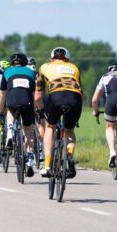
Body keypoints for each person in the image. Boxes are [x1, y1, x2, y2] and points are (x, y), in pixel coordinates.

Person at [35, 47, 83, 178]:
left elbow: (38, 96)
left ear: (51, 58)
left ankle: (47, 166)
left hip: (55, 96)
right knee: (69, 130)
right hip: (75, 99)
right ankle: (69, 156)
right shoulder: (74, 68)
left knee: (50, 127)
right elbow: (81, 92)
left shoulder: (44, 67)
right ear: (67, 59)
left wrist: (41, 110)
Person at [0, 53, 38, 176]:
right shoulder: (30, 72)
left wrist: (0, 110)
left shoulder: (7, 71)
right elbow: (34, 94)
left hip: (12, 100)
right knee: (28, 132)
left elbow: (2, 94)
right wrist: (34, 109)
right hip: (27, 101)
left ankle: (10, 132)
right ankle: (30, 160)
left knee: (10, 110)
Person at [92, 62, 117, 168]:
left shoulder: (104, 77)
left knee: (109, 126)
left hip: (111, 100)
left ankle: (112, 151)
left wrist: (95, 111)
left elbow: (94, 100)